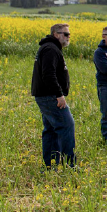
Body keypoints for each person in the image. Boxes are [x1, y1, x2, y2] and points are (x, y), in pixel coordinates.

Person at [29, 22, 75, 167]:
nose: (68, 37)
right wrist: (59, 95)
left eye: (69, 34)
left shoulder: (50, 48)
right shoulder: (50, 49)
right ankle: (70, 165)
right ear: (56, 34)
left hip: (45, 96)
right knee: (67, 126)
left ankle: (50, 165)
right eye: (65, 34)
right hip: (50, 96)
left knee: (50, 130)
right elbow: (48, 74)